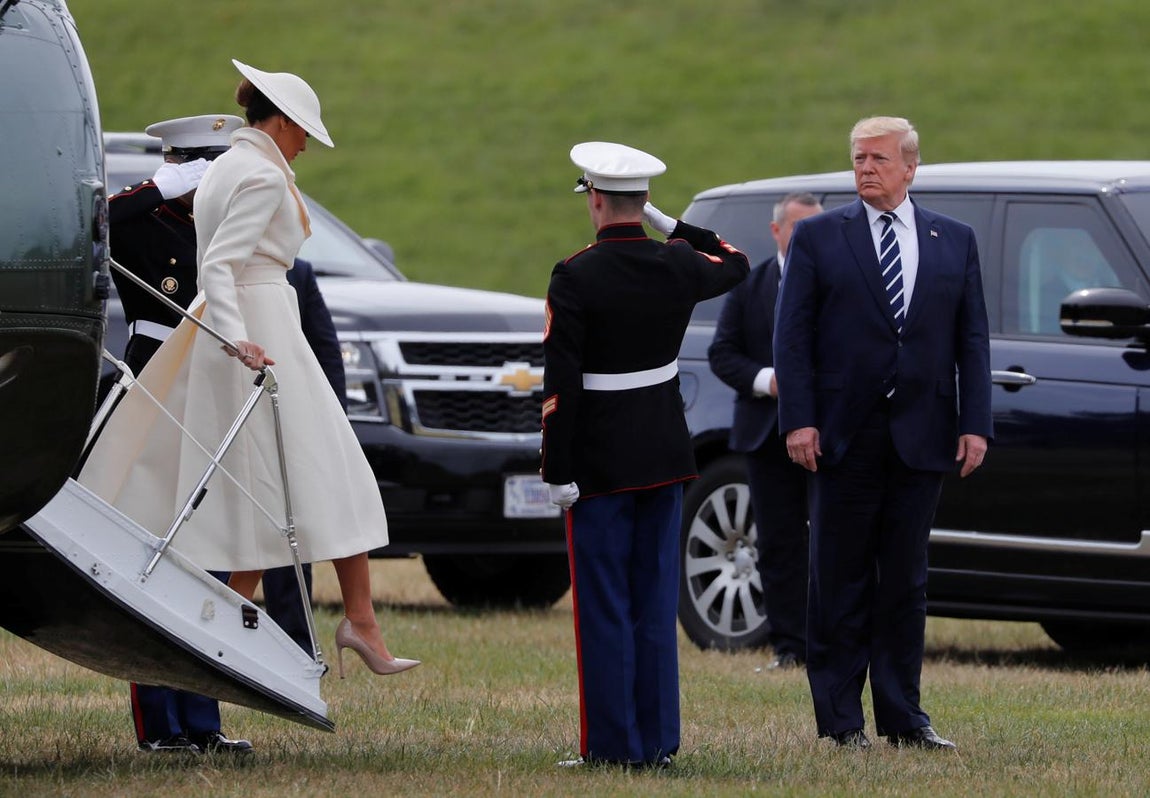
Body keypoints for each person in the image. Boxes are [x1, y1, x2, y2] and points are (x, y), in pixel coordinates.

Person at [81, 60, 418, 680]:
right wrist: (239, 338)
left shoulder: (229, 166)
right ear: (282, 121)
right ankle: (354, 621)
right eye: (304, 129)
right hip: (260, 326)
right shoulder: (260, 174)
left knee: (269, 487)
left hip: (250, 322)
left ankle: (249, 616)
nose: (307, 143)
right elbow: (220, 265)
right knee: (323, 469)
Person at [774, 116, 992, 751]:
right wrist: (800, 419)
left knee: (905, 581)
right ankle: (842, 721)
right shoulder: (819, 236)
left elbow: (972, 340)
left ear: (910, 167)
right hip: (843, 435)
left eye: (878, 158)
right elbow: (792, 336)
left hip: (923, 435)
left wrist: (975, 424)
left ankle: (904, 717)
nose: (865, 168)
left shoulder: (954, 239)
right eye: (858, 158)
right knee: (838, 579)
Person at [543, 141, 749, 768]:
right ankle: (657, 743)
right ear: (645, 202)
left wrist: (557, 470)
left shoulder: (575, 275)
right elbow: (736, 261)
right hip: (663, 453)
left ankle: (613, 747)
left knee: (604, 606)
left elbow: (562, 386)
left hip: (600, 463)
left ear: (595, 200)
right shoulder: (678, 263)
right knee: (654, 603)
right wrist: (674, 227)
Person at [107, 113, 252, 755]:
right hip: (157, 383)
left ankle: (203, 718)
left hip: (217, 385)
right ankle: (160, 725)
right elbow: (90, 226)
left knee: (207, 553)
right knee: (153, 547)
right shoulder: (144, 220)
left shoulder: (222, 226)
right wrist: (157, 188)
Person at [707, 191, 822, 670]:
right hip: (764, 434)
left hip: (824, 435)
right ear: (776, 231)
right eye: (799, 228)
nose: (809, 237)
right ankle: (789, 646)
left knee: (830, 541)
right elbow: (722, 353)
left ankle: (831, 643)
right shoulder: (750, 286)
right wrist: (767, 381)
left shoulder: (836, 285)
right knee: (777, 542)